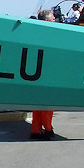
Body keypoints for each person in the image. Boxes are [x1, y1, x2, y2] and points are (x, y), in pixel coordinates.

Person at [30, 8, 58, 141]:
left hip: (36, 73)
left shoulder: (35, 32)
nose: (55, 20)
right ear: (47, 20)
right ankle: (47, 128)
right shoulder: (51, 34)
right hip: (47, 72)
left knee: (37, 104)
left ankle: (36, 129)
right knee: (48, 103)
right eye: (53, 18)